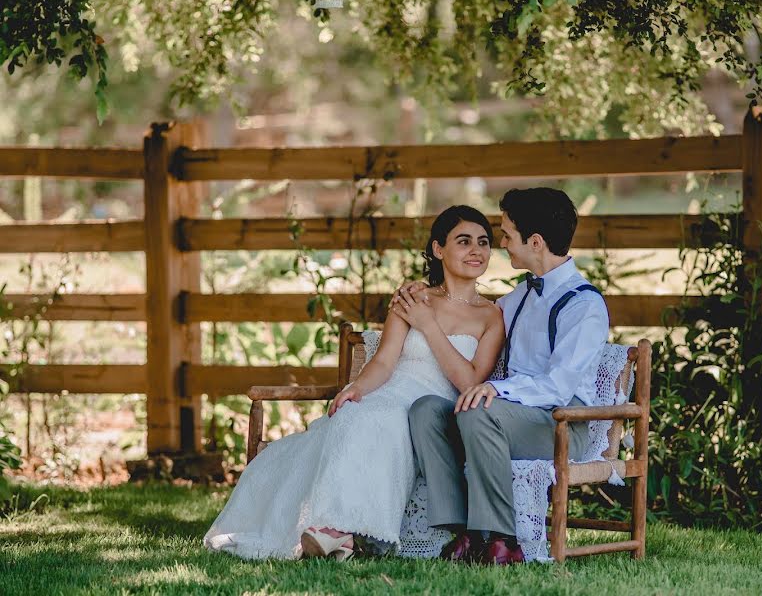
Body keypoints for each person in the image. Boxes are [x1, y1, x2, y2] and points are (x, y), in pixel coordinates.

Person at [204, 205, 505, 560]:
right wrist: (357, 388)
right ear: (439, 249)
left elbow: (470, 380)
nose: (476, 250)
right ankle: (338, 533)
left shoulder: (491, 315)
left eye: (483, 242)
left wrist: (428, 325)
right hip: (393, 390)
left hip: (434, 408)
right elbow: (384, 361)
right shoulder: (413, 298)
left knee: (384, 419)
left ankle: (338, 530)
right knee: (356, 413)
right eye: (464, 241)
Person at [404, 187, 610, 565]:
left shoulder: (584, 304)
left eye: (506, 236)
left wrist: (495, 389)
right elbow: (468, 306)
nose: (501, 245)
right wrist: (424, 294)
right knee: (427, 410)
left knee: (477, 410)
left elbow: (558, 388)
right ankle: (463, 531)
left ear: (535, 242)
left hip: (563, 425)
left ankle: (502, 540)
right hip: (509, 418)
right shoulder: (518, 297)